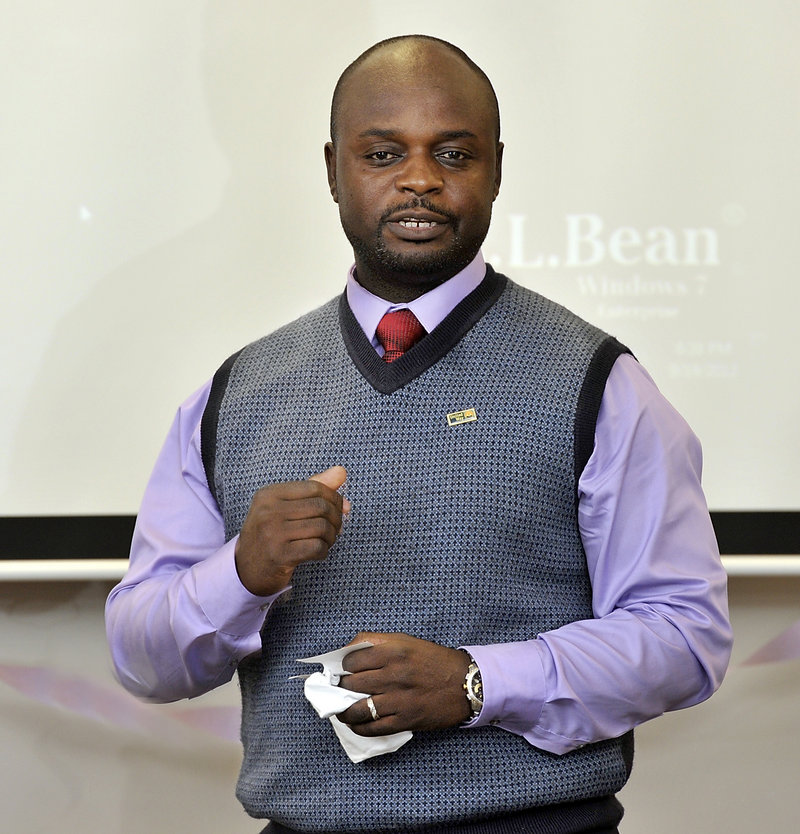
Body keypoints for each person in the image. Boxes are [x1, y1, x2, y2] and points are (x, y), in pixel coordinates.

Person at [106, 34, 732, 834]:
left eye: (454, 153)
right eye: (381, 153)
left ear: (496, 168)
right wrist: (243, 570)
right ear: (333, 169)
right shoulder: (235, 394)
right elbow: (141, 659)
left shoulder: (598, 381)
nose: (420, 180)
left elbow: (686, 636)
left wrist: (479, 683)